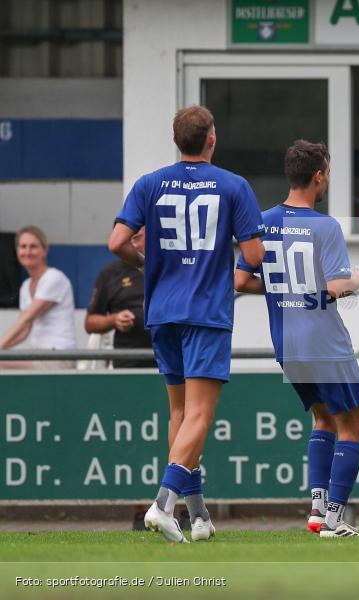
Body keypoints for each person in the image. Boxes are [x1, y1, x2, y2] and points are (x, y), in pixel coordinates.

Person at [108, 105, 265, 544]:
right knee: (200, 414)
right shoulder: (234, 186)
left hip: (162, 311)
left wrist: (147, 262)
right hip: (206, 313)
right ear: (211, 139)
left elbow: (117, 241)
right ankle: (163, 505)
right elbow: (253, 258)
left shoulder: (150, 183)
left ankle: (197, 517)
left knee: (179, 412)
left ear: (176, 141)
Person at [235, 140, 359, 538]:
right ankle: (334, 517)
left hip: (287, 343)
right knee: (352, 425)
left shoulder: (262, 221)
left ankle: (316, 510)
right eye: (327, 172)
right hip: (324, 341)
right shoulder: (325, 225)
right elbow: (333, 287)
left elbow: (241, 280)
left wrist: (281, 288)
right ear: (318, 176)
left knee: (323, 418)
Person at [0, 225, 76, 369]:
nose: (27, 252)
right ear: (16, 251)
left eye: (33, 246)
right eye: (23, 246)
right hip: (38, 356)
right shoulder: (25, 286)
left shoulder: (54, 278)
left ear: (45, 250)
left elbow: (26, 318)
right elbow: (23, 332)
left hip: (59, 358)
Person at [85, 227, 155, 368]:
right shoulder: (110, 273)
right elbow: (90, 323)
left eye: (136, 237)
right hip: (128, 362)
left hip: (170, 358)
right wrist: (114, 320)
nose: (132, 244)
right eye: (125, 239)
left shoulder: (168, 268)